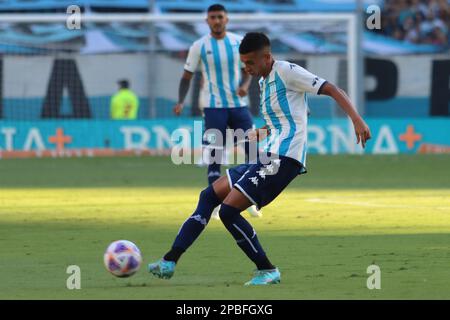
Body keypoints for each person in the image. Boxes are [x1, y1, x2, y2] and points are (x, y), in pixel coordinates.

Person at [148, 32, 371, 285]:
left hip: (285, 158)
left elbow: (332, 88)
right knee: (208, 195)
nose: (247, 68)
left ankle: (267, 270)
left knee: (229, 212)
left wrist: (357, 119)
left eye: (250, 63)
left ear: (266, 57)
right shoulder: (265, 81)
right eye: (244, 63)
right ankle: (169, 261)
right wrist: (262, 131)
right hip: (268, 154)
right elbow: (286, 116)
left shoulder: (287, 71)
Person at [172, 4, 262, 219]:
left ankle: (247, 199)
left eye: (220, 17)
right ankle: (214, 202)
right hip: (213, 106)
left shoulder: (238, 42)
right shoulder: (199, 46)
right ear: (207, 21)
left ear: (226, 19)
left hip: (238, 105)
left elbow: (248, 70)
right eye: (213, 17)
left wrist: (245, 85)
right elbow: (187, 76)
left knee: (251, 150)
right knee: (215, 154)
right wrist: (181, 101)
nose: (217, 20)